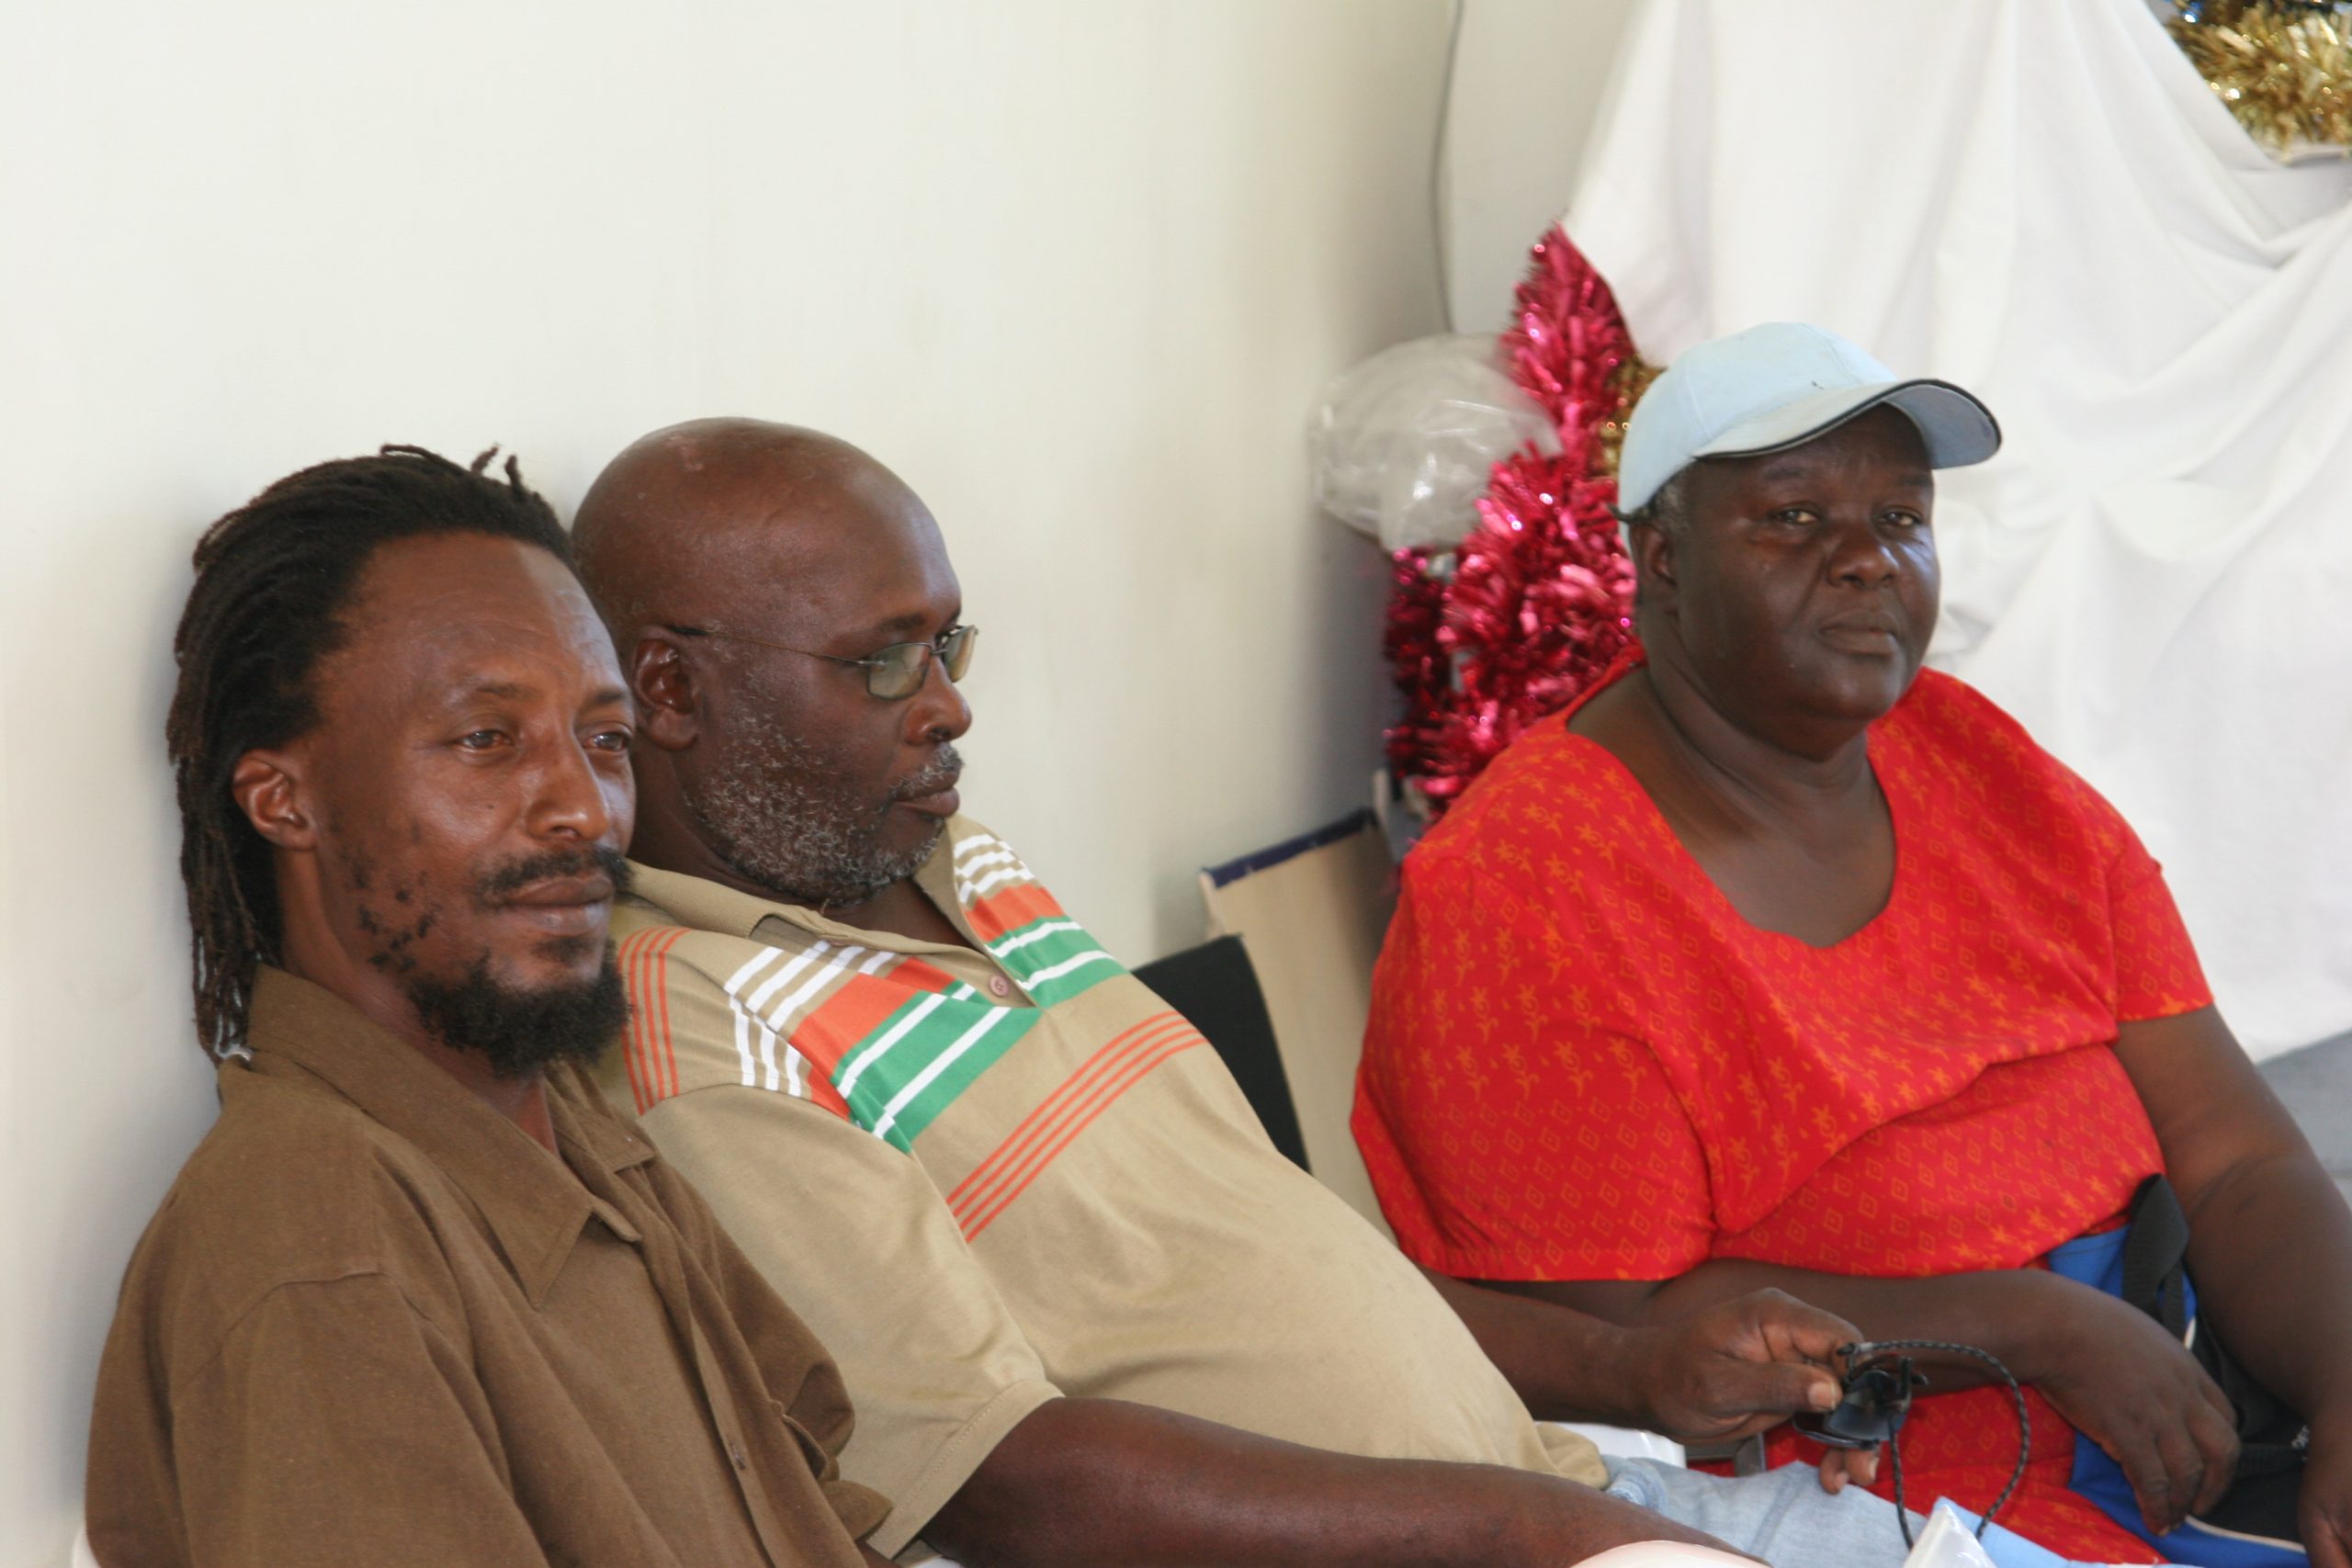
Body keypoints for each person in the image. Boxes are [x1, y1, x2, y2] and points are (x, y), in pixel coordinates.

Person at [565, 415, 2043, 1568]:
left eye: (946, 643)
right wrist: (1531, 1532)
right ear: (671, 693)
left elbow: (1259, 1264)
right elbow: (1006, 1480)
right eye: (882, 661)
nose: (950, 702)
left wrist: (1632, 1373)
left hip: (1560, 1487)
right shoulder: (696, 1022)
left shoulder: (944, 845)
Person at [1355, 322, 2352, 1568]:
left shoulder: (1979, 760)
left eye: (1900, 517)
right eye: (1791, 517)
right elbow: (1626, 1345)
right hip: (1887, 1483)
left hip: (2197, 1372)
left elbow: (2239, 1156)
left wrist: (2343, 1383)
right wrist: (2033, 1324)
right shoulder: (1520, 896)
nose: (1866, 563)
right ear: (1659, 561)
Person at [87, 447, 892, 1568]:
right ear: (285, 799)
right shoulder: (319, 1235)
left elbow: (821, 1501)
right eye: (485, 739)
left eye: (603, 741)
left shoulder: (564, 1126)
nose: (584, 809)